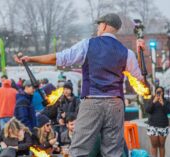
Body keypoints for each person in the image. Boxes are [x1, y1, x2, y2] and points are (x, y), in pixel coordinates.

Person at [14, 13, 144, 156]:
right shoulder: (126, 52)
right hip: (116, 103)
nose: (97, 28)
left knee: (79, 150)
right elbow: (139, 79)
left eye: (99, 25)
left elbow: (59, 58)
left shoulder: (88, 44)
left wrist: (32, 58)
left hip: (92, 101)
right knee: (113, 152)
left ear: (105, 25)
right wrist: (139, 54)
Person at [145, 87, 170, 157]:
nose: (159, 93)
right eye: (157, 92)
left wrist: (162, 103)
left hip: (163, 126)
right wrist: (154, 102)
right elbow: (147, 110)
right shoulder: (152, 100)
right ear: (155, 92)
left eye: (160, 92)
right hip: (152, 125)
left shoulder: (166, 101)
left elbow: (169, 111)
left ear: (163, 93)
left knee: (162, 145)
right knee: (154, 145)